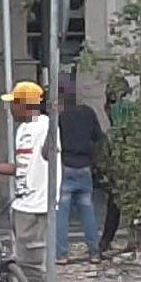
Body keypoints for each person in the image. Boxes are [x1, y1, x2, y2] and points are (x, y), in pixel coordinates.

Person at [0, 82, 73, 282]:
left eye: (14, 103)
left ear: (24, 105)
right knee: (26, 263)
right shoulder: (23, 130)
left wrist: (54, 120)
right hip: (23, 203)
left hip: (37, 205)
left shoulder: (44, 126)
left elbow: (49, 154)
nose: (10, 108)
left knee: (29, 263)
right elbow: (20, 168)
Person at [56, 81, 105, 263]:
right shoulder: (88, 112)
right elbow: (98, 137)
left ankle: (61, 254)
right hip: (84, 166)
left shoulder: (59, 117)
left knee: (62, 213)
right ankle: (94, 252)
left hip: (66, 166)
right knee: (88, 211)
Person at [100, 78, 135, 254]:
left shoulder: (115, 109)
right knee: (129, 205)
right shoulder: (130, 109)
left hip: (120, 161)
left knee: (115, 206)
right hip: (128, 159)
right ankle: (133, 240)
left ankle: (106, 241)